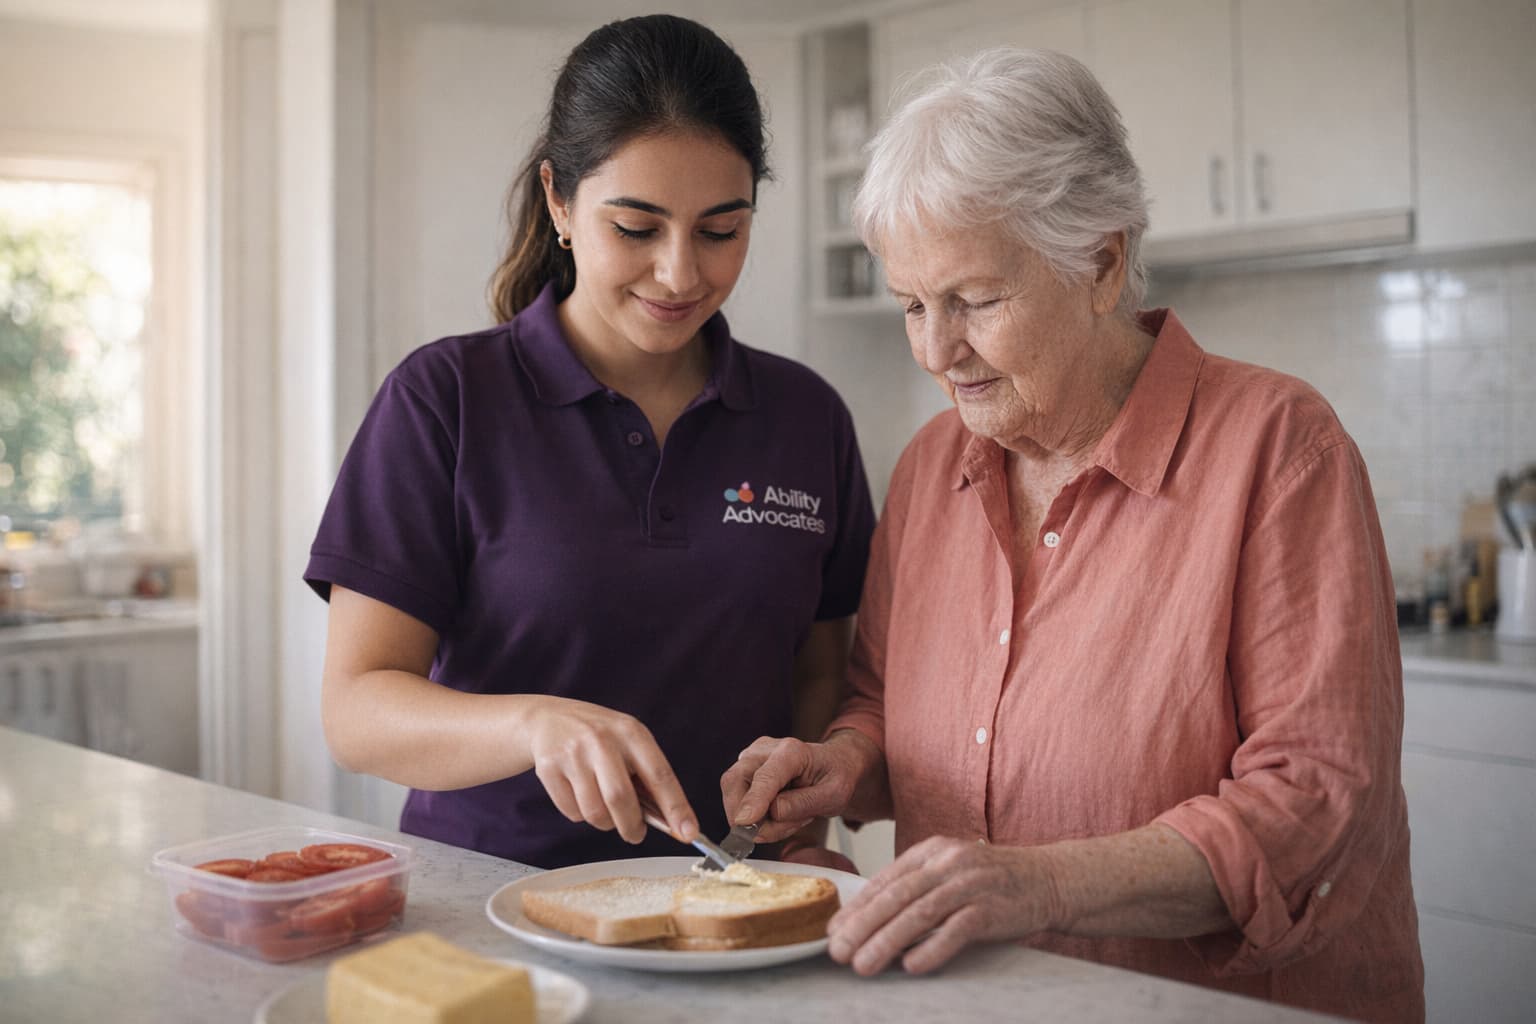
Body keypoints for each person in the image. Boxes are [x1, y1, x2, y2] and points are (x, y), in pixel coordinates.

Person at [723, 48, 1423, 1022]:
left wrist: (1039, 883)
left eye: (975, 300)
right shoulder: (932, 467)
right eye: (912, 305)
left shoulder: (1278, 448)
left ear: (1099, 262)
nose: (935, 348)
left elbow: (1314, 797)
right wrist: (844, 757)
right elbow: (885, 699)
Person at [306, 14, 874, 870]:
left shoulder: (807, 417)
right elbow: (356, 712)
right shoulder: (445, 400)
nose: (682, 274)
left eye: (721, 229)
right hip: (488, 905)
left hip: (723, 908)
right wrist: (532, 723)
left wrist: (793, 844)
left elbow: (818, 683)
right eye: (637, 228)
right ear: (559, 202)